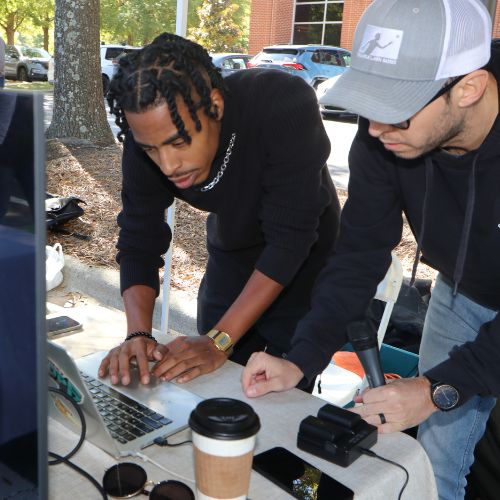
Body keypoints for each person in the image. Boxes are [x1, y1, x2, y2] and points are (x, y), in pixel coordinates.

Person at [241, 0, 500, 498]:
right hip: (459, 290)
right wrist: (302, 358)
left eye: (395, 112)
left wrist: (432, 388)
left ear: (468, 88)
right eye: (369, 107)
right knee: (433, 461)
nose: (375, 130)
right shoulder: (384, 134)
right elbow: (359, 253)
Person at [98, 33, 340, 390]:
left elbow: (290, 240)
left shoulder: (281, 104)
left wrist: (219, 341)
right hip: (233, 253)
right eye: (152, 150)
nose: (168, 165)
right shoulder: (145, 141)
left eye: (179, 142)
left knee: (274, 393)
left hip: (307, 262)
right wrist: (138, 334)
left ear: (215, 105)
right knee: (210, 385)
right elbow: (139, 238)